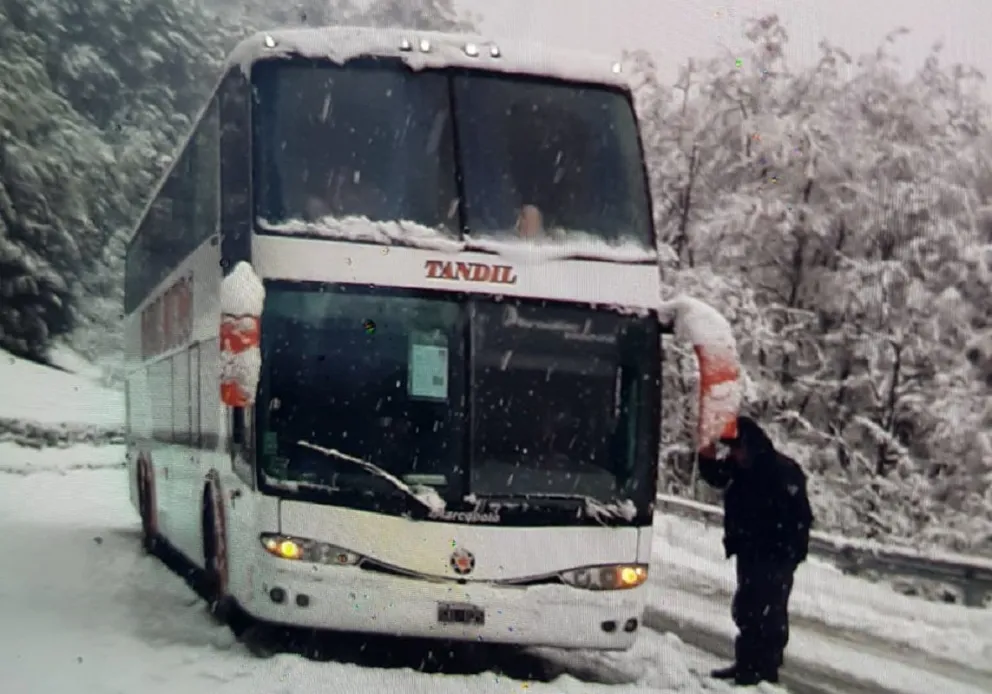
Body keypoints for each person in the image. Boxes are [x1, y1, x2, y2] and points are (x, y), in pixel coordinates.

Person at [697, 415, 814, 687]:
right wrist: (706, 454)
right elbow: (717, 476)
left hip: (776, 554)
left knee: (770, 612)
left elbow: (799, 517)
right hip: (751, 551)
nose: (733, 456)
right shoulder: (745, 467)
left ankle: (766, 669)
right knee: (747, 609)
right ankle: (746, 664)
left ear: (749, 446)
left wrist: (788, 552)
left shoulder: (780, 471)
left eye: (736, 450)